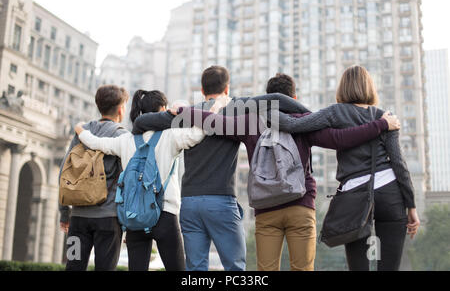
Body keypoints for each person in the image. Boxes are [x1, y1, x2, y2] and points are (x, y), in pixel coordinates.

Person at [173, 73, 400, 271]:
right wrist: (380, 124)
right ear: (294, 98)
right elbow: (340, 139)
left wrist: (182, 112)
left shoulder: (252, 121)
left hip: (266, 208)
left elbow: (214, 122)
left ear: (266, 98)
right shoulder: (304, 121)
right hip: (300, 205)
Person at [131, 66, 311, 271]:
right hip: (221, 201)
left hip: (189, 203)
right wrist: (313, 117)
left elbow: (141, 122)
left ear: (201, 89)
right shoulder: (237, 106)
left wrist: (166, 117)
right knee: (235, 267)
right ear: (227, 88)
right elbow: (279, 98)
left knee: (196, 269)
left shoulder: (188, 114)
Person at [274, 65, 421, 271]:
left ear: (342, 88)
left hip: (354, 195)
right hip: (391, 193)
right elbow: (398, 163)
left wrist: (263, 112)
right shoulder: (385, 117)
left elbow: (293, 125)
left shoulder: (335, 113)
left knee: (358, 267)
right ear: (370, 87)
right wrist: (411, 206)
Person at [73, 90, 223, 271]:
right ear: (162, 110)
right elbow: (199, 133)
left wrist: (80, 130)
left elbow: (97, 143)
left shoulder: (125, 140)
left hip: (134, 217)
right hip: (165, 215)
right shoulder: (171, 136)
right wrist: (213, 110)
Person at [59, 85, 129, 271]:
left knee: (73, 266)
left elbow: (64, 171)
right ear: (121, 109)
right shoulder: (122, 135)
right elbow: (128, 181)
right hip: (109, 220)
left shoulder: (81, 133)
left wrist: (65, 213)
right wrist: (129, 223)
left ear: (99, 105)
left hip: (78, 220)